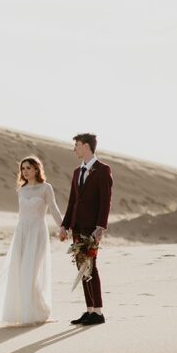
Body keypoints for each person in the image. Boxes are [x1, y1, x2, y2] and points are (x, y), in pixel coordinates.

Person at [0, 157, 64, 325]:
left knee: (30, 273)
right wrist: (19, 234)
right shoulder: (21, 190)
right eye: (23, 168)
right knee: (19, 272)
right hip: (22, 233)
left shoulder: (46, 188)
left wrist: (62, 227)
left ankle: (37, 311)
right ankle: (26, 312)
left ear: (37, 169)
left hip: (38, 233)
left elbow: (53, 208)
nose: (25, 171)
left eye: (28, 168)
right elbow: (22, 215)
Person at [59, 133, 113, 325]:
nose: (74, 149)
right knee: (82, 267)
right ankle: (89, 310)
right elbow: (73, 201)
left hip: (91, 229)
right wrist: (65, 225)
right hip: (77, 227)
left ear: (87, 146)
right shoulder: (77, 172)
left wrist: (100, 228)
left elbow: (105, 202)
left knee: (91, 266)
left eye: (77, 145)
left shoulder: (103, 170)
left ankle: (98, 311)